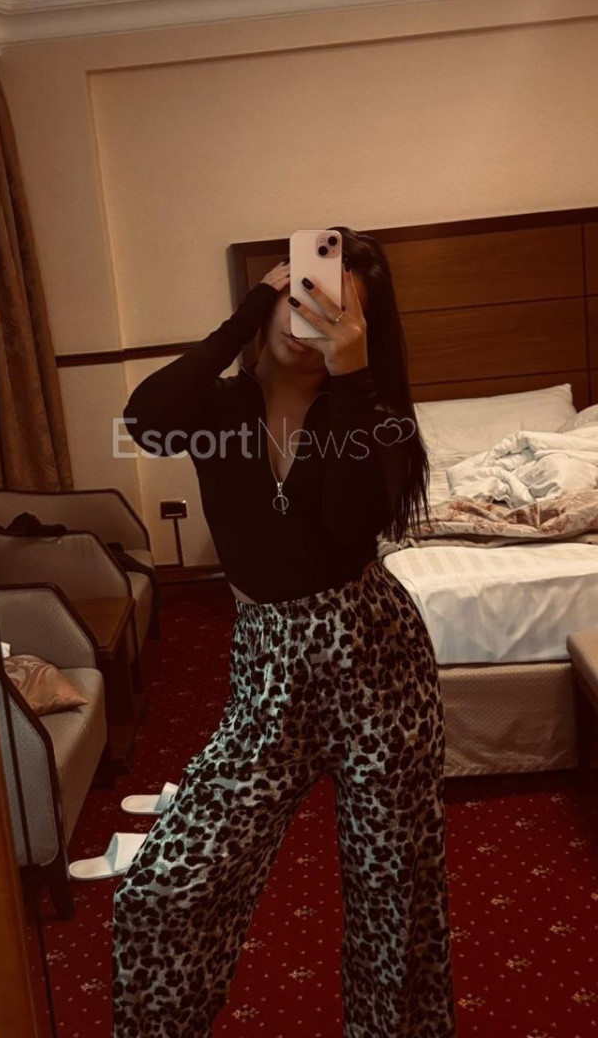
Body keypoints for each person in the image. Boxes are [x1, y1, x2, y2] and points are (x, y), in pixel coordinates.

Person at [111, 227, 456, 1037]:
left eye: (338, 311)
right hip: (268, 664)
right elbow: (143, 421)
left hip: (378, 661)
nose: (312, 322)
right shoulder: (216, 410)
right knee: (167, 883)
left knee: (394, 894)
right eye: (302, 297)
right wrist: (244, 316)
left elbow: (347, 525)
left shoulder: (374, 418)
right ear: (273, 295)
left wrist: (353, 377)